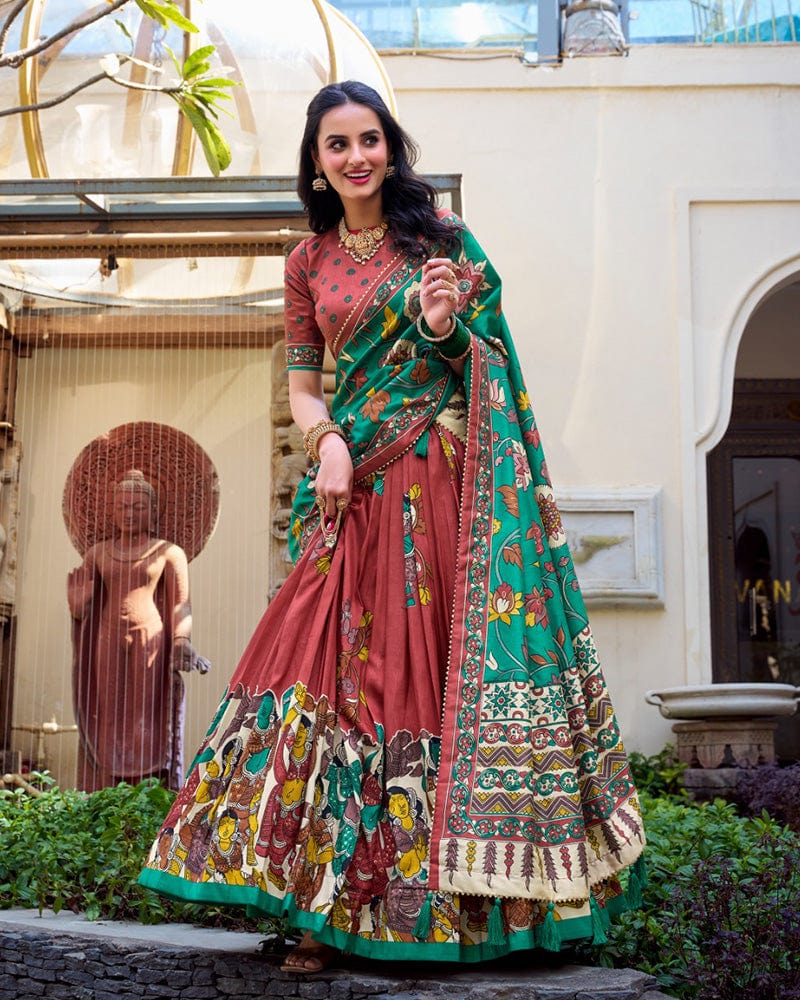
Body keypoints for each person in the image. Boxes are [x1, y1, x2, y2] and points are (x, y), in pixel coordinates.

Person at [140, 81, 645, 970]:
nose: (357, 156)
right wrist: (328, 440)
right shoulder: (306, 263)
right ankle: (326, 908)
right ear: (318, 163)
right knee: (327, 677)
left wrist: (448, 331)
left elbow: (487, 358)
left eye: (370, 139)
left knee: (431, 680)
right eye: (337, 145)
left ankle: (470, 914)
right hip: (353, 489)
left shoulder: (442, 240)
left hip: (439, 489)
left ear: (390, 147)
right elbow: (303, 387)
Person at [68, 469, 210, 792]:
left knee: (147, 716)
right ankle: (104, 788)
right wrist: (79, 609)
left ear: (153, 511)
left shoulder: (169, 553)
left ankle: (149, 790)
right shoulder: (98, 554)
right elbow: (85, 602)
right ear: (112, 511)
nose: (129, 513)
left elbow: (181, 604)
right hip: (107, 636)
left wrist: (182, 640)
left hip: (151, 638)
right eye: (122, 507)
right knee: (108, 713)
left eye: (138, 507)